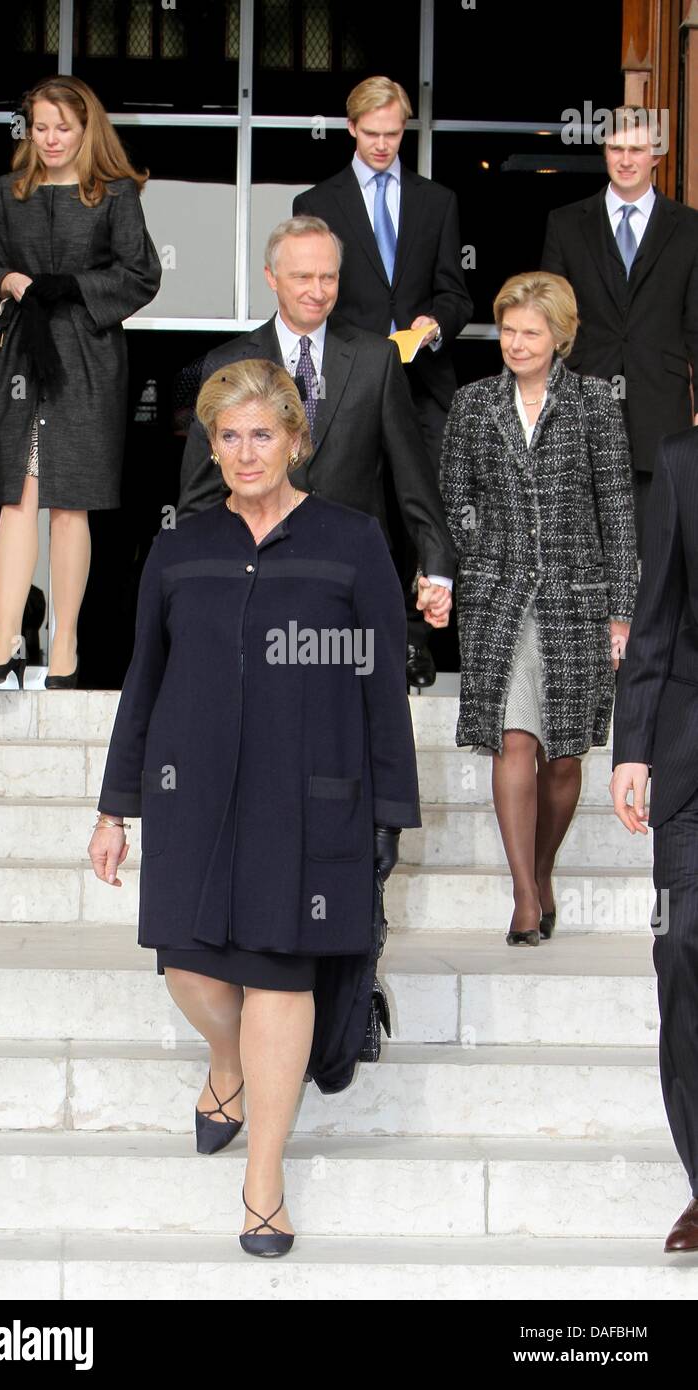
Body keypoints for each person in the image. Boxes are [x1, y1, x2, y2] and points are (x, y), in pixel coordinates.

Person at [88, 359, 421, 1257]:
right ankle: (228, 1064)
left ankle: (263, 1181)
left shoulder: (351, 541)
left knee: (280, 975)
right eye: (227, 435)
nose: (245, 451)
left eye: (262, 433)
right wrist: (116, 808)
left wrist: (389, 811)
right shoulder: (179, 547)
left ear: (296, 439)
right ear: (211, 442)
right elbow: (144, 685)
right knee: (190, 967)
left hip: (308, 799)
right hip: (189, 795)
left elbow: (380, 684)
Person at [440, 272, 638, 945]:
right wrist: (481, 550)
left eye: (530, 332)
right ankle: (526, 896)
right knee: (513, 738)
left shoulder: (594, 406)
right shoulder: (472, 405)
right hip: (499, 601)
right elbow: (453, 497)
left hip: (575, 602)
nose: (515, 343)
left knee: (563, 756)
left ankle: (543, 872)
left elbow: (617, 512)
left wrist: (621, 611)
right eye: (508, 330)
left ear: (560, 337)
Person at [176, 215, 453, 667]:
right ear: (271, 278)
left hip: (353, 580)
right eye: (302, 276)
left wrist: (437, 569)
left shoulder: (376, 360)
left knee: (353, 721)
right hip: (257, 580)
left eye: (328, 276)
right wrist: (197, 581)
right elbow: (199, 495)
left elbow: (414, 480)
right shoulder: (228, 363)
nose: (317, 289)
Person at [0, 75, 161, 690]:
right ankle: (4, 639)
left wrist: (76, 286)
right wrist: (12, 283)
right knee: (15, 496)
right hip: (22, 355)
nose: (51, 139)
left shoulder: (114, 194)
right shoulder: (8, 191)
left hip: (86, 357)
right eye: (41, 127)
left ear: (87, 130)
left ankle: (65, 643)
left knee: (70, 503)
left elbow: (141, 275)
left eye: (64, 128)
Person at [294, 76, 473, 685]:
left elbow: (456, 292)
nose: (381, 145)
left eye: (393, 134)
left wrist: (435, 325)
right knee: (363, 507)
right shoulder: (316, 202)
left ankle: (416, 641)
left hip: (423, 382)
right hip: (352, 381)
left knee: (424, 508)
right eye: (371, 134)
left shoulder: (436, 200)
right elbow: (315, 300)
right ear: (350, 128)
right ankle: (361, 634)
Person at [611, 424, 698, 1253]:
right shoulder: (679, 465)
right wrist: (633, 746)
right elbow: (658, 614)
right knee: (680, 949)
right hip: (691, 763)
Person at [541, 107, 698, 552]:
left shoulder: (690, 229)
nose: (625, 159)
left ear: (656, 156)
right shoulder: (567, 222)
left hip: (661, 407)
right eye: (615, 148)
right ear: (604, 151)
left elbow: (697, 326)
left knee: (655, 548)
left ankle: (643, 626)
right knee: (584, 551)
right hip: (584, 399)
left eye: (636, 148)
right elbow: (551, 321)